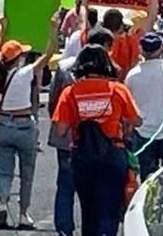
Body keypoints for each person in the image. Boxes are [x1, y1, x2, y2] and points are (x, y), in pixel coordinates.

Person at [52, 45, 142, 236]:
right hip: (113, 153)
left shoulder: (70, 92)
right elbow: (137, 120)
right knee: (109, 210)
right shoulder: (118, 89)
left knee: (88, 210)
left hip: (82, 156)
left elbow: (60, 130)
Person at [47, 28, 113, 236]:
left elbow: (53, 100)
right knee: (96, 187)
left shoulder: (64, 67)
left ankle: (64, 227)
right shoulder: (107, 72)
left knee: (65, 184)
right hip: (98, 138)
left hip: (66, 134)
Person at [0, 39, 55, 229]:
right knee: (27, 173)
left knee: (4, 171)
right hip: (24, 124)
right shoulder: (25, 72)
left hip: (3, 123)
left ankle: (3, 206)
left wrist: (2, 31)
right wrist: (53, 30)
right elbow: (49, 54)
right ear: (18, 58)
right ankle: (23, 214)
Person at [125, 33, 163, 179]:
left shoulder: (132, 76)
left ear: (142, 50)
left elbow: (128, 105)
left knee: (147, 179)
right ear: (161, 49)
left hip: (143, 133)